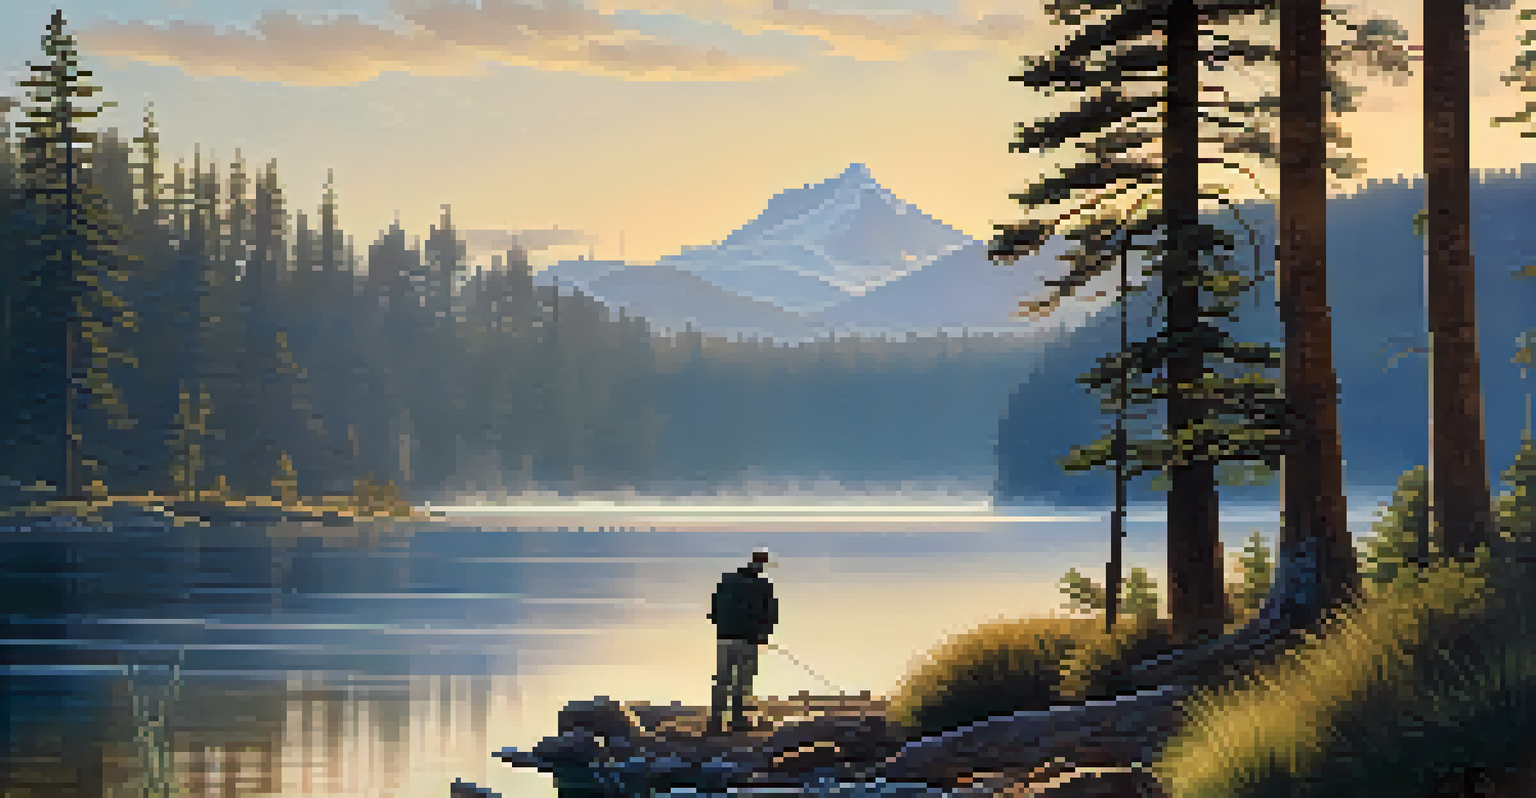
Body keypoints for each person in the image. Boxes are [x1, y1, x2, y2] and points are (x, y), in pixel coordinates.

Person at [706, 548, 778, 734]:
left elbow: (714, 609)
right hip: (747, 639)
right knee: (742, 682)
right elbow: (770, 613)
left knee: (723, 680)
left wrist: (721, 624)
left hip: (724, 638)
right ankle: (737, 721)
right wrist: (764, 635)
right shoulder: (763, 585)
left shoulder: (727, 581)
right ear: (761, 565)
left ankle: (715, 722)